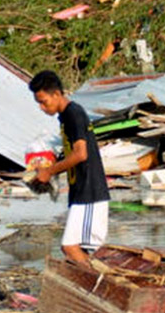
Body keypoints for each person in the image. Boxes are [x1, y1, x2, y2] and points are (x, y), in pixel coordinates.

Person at [29, 71, 110, 268]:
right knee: (72, 249)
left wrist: (49, 172)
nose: (41, 107)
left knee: (71, 247)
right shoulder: (65, 116)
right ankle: (94, 286)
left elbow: (81, 154)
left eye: (44, 102)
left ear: (57, 94)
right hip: (81, 191)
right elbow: (73, 153)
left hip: (90, 192)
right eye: (38, 103)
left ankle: (99, 288)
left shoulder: (74, 114)